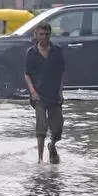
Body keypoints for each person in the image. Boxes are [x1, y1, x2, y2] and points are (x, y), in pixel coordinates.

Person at [24, 22, 65, 164]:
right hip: (38, 95)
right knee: (41, 128)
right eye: (41, 34)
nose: (44, 37)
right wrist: (32, 91)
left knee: (58, 128)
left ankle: (52, 145)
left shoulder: (57, 51)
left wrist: (60, 91)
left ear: (50, 34)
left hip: (54, 95)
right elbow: (27, 75)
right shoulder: (31, 52)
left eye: (47, 34)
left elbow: (61, 73)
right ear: (36, 35)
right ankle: (40, 160)